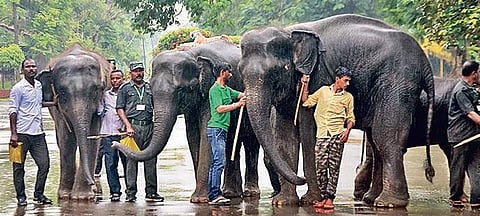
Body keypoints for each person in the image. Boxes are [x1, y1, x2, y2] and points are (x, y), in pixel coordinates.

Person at [301, 66, 355, 210]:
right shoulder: (323, 91)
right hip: (322, 135)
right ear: (337, 79)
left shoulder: (348, 97)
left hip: (338, 136)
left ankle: (330, 198)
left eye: (349, 81)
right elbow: (306, 102)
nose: (347, 84)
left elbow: (351, 118)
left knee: (334, 168)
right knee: (320, 168)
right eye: (345, 80)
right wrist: (305, 84)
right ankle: (324, 196)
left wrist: (347, 131)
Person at [8, 59, 57, 206]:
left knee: (45, 165)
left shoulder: (39, 85)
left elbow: (38, 103)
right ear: (23, 70)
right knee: (18, 167)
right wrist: (13, 133)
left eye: (33, 66)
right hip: (21, 134)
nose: (31, 69)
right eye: (28, 66)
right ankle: (21, 197)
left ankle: (38, 194)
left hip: (38, 134)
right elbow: (12, 111)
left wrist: (53, 103)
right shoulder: (18, 88)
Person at [116, 62, 164, 202]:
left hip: (149, 127)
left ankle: (151, 192)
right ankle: (131, 193)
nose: (139, 73)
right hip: (133, 128)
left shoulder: (150, 87)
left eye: (141, 70)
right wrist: (128, 126)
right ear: (130, 73)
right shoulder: (125, 88)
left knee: (151, 159)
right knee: (132, 160)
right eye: (135, 71)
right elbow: (120, 109)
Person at [206, 61, 246, 205]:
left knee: (216, 162)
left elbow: (241, 95)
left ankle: (213, 193)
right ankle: (215, 194)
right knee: (218, 162)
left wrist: (248, 92)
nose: (230, 74)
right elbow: (219, 109)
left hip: (222, 130)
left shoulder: (227, 89)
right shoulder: (215, 90)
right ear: (223, 72)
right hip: (216, 129)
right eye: (229, 71)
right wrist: (237, 105)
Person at [447, 60, 480, 209]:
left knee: (477, 169)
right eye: (479, 71)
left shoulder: (472, 89)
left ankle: (476, 201)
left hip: (474, 137)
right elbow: (471, 114)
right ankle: (456, 200)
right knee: (458, 170)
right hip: (460, 138)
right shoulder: (460, 90)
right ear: (474, 74)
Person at [98, 69, 128, 202]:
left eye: (118, 78)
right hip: (108, 134)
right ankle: (115, 191)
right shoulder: (105, 95)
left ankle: (130, 190)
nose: (115, 81)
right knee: (110, 164)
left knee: (127, 163)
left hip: (125, 135)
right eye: (113, 79)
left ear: (123, 79)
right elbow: (99, 111)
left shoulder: (128, 93)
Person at [94, 59, 118, 179]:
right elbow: (99, 110)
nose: (114, 80)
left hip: (122, 131)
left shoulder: (125, 91)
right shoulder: (104, 91)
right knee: (102, 151)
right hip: (106, 129)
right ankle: (96, 171)